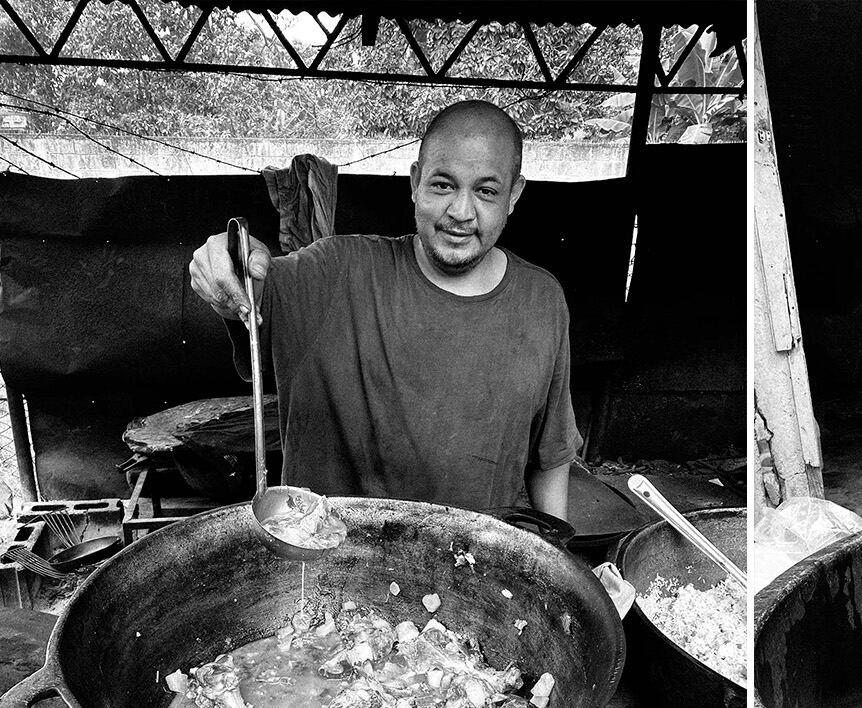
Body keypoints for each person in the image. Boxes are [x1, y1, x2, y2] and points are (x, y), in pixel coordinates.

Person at [188, 100, 580, 520]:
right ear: (414, 183)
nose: (461, 213)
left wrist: (560, 562)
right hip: (330, 568)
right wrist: (226, 264)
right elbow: (253, 288)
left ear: (514, 194)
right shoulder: (335, 272)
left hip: (472, 573)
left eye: (486, 191)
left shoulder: (541, 300)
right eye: (442, 185)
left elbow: (551, 456)